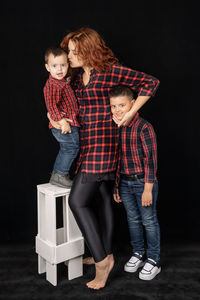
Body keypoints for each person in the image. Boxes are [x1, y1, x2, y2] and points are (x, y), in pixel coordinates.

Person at [48, 27, 160, 289]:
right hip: (85, 147)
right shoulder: (75, 79)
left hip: (105, 147)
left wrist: (130, 113)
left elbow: (150, 82)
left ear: (88, 51)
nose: (70, 56)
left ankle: (102, 261)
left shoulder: (111, 72)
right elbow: (65, 104)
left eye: (75, 52)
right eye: (69, 52)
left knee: (78, 200)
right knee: (101, 199)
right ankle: (106, 252)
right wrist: (55, 116)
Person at [110, 85, 161, 281]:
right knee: (132, 220)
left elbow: (151, 160)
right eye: (113, 106)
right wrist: (116, 185)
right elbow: (117, 159)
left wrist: (148, 189)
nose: (117, 110)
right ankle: (138, 252)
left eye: (122, 105)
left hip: (143, 183)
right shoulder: (116, 127)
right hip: (124, 182)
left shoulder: (144, 127)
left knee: (148, 220)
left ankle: (154, 259)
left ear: (133, 104)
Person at [44, 47, 79, 188]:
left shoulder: (61, 82)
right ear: (47, 68)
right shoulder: (52, 85)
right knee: (71, 148)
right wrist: (62, 121)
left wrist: (67, 82)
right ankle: (60, 174)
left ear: (68, 65)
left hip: (69, 122)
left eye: (63, 65)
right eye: (54, 66)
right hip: (63, 124)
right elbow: (51, 106)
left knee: (68, 148)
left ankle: (58, 175)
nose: (59, 69)